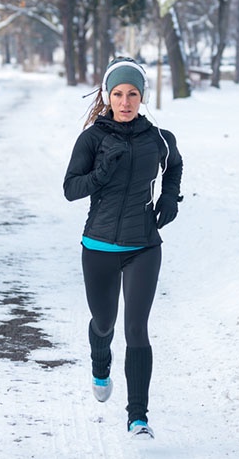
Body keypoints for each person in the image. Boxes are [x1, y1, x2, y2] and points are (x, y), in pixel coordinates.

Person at [63, 57, 183, 439]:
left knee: (136, 329)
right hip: (97, 246)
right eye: (118, 94)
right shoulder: (92, 139)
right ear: (107, 96)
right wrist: (101, 173)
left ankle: (138, 418)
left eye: (133, 94)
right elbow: (70, 189)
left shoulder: (160, 138)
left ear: (142, 96)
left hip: (142, 246)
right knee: (104, 323)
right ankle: (101, 363)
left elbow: (175, 165)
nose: (126, 101)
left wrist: (170, 197)